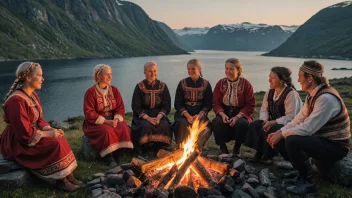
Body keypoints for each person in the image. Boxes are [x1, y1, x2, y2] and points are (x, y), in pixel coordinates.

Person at [267, 60, 350, 195]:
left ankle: (308, 182)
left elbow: (307, 128)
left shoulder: (326, 98)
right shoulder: (312, 95)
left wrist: (282, 134)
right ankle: (300, 172)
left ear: (310, 78)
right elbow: (298, 120)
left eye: (300, 76)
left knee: (292, 140)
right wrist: (279, 132)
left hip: (336, 146)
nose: (298, 80)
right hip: (322, 140)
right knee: (280, 132)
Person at [0, 62, 82, 192]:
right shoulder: (16, 100)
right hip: (17, 142)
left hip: (30, 134)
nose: (42, 79)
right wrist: (48, 135)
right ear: (28, 78)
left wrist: (49, 129)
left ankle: (67, 175)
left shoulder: (32, 95)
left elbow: (39, 119)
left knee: (60, 138)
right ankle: (60, 180)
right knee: (54, 144)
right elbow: (23, 133)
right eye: (39, 75)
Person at [245, 67, 302, 164]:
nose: (269, 80)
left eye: (273, 78)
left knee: (274, 128)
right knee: (255, 125)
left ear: (282, 80)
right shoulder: (270, 92)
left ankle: (269, 154)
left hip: (290, 124)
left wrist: (273, 122)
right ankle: (260, 152)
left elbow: (291, 117)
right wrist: (265, 121)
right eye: (269, 77)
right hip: (272, 121)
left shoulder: (291, 94)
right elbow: (264, 109)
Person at [83, 64, 133, 167]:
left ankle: (118, 154)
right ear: (98, 76)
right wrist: (105, 121)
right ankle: (109, 157)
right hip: (95, 122)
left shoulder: (114, 90)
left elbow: (120, 107)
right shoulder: (90, 92)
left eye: (111, 74)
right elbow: (89, 112)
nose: (110, 77)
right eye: (107, 74)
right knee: (107, 131)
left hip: (112, 119)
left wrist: (116, 119)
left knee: (124, 127)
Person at [212, 58, 255, 155]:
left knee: (242, 124)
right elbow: (216, 102)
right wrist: (222, 114)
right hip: (225, 111)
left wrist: (237, 117)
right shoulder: (220, 83)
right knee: (216, 122)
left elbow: (250, 104)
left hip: (240, 112)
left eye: (231, 69)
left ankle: (237, 148)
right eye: (226, 68)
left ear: (238, 70)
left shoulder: (246, 84)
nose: (228, 71)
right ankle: (223, 148)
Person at [131, 61, 172, 152]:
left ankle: (160, 147)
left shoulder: (163, 86)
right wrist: (148, 118)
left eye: (155, 71)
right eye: (150, 71)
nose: (153, 73)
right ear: (145, 72)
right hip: (143, 115)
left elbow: (166, 105)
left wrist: (158, 117)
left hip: (159, 114)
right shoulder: (139, 86)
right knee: (145, 126)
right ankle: (144, 148)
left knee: (164, 125)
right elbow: (135, 106)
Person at [173, 59, 213, 147]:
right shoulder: (182, 83)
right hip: (184, 113)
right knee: (182, 123)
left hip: (199, 112)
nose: (190, 71)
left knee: (206, 125)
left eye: (193, 69)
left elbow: (208, 103)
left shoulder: (206, 84)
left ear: (199, 69)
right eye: (188, 69)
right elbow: (178, 103)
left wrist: (199, 115)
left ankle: (197, 146)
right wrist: (187, 115)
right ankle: (182, 146)